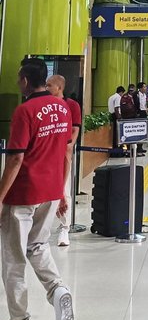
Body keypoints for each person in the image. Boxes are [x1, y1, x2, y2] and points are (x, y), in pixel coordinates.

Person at [0, 57, 74, 320]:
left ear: (26, 81)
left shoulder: (25, 111)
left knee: (14, 261)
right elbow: (66, 153)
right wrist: (62, 191)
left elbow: (16, 158)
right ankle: (57, 289)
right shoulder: (64, 109)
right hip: (50, 192)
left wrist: (0, 197)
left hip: (23, 195)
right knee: (38, 246)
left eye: (19, 78)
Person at [45, 75, 82, 248]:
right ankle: (43, 228)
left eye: (49, 85)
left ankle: (64, 227)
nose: (46, 88)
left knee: (63, 189)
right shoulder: (44, 105)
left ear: (59, 87)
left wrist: (69, 146)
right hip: (46, 153)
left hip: (63, 152)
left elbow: (75, 129)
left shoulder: (72, 105)